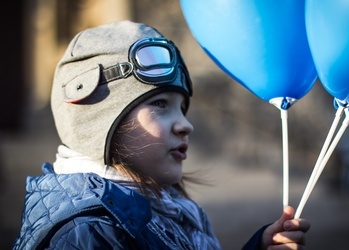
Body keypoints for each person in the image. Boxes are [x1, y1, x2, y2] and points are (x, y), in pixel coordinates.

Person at [13, 20, 310, 250]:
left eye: (182, 108)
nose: (185, 125)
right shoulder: (86, 233)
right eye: (159, 104)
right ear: (99, 120)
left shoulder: (167, 209)